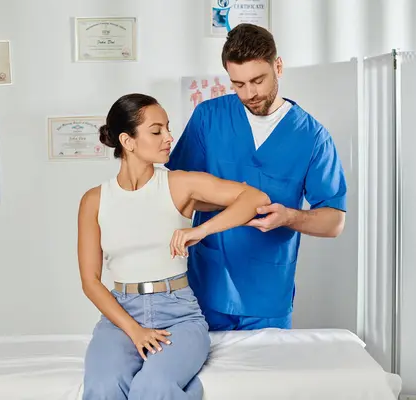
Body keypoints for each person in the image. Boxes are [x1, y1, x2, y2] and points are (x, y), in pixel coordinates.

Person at [78, 93, 271, 399]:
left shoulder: (179, 183)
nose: (169, 137)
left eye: (168, 128)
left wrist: (201, 229)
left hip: (178, 315)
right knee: (103, 386)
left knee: (150, 387)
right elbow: (90, 281)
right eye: (156, 131)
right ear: (127, 141)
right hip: (120, 316)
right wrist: (134, 330)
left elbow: (255, 198)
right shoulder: (94, 201)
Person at [165, 23, 347, 332]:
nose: (249, 93)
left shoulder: (312, 138)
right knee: (205, 378)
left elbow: (333, 222)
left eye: (258, 80)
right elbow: (177, 191)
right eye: (238, 84)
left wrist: (288, 217)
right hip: (207, 283)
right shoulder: (209, 118)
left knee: (266, 379)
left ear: (278, 66)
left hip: (268, 295)